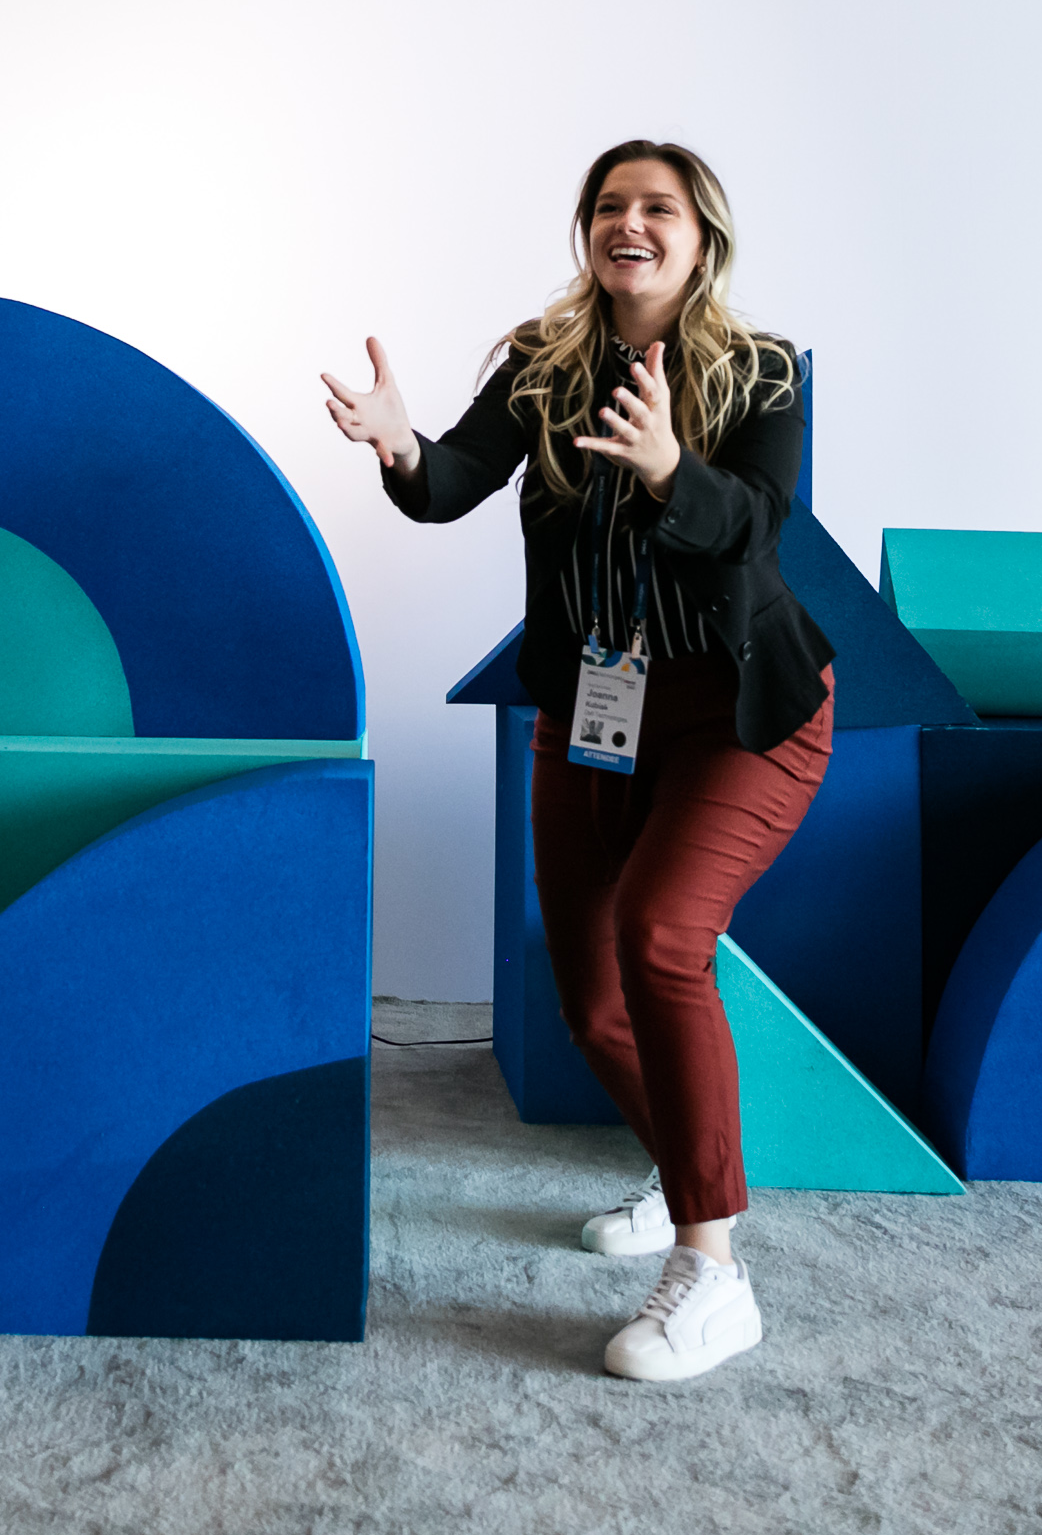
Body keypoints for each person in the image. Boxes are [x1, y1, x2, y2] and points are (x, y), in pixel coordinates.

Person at [321, 138, 835, 1383]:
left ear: (700, 237)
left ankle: (712, 1273)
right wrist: (399, 447)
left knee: (660, 939)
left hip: (740, 711)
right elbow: (450, 484)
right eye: (608, 205)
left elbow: (757, 525)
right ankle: (684, 1171)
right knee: (593, 1001)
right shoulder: (541, 364)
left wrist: (668, 470)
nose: (627, 223)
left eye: (656, 206)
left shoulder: (759, 371)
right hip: (602, 709)